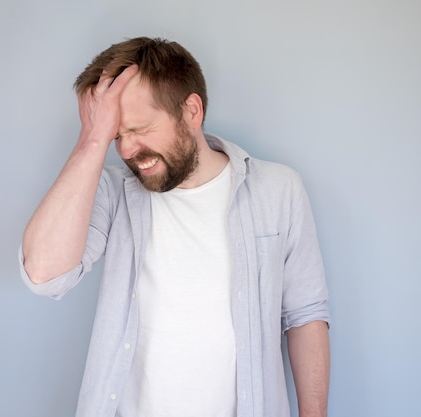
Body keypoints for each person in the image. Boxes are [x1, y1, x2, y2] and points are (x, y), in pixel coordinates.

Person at [19, 37, 330, 417]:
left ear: (192, 111)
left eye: (140, 128)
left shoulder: (278, 191)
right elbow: (44, 275)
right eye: (117, 135)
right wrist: (93, 138)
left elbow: (305, 316)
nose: (128, 150)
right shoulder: (113, 193)